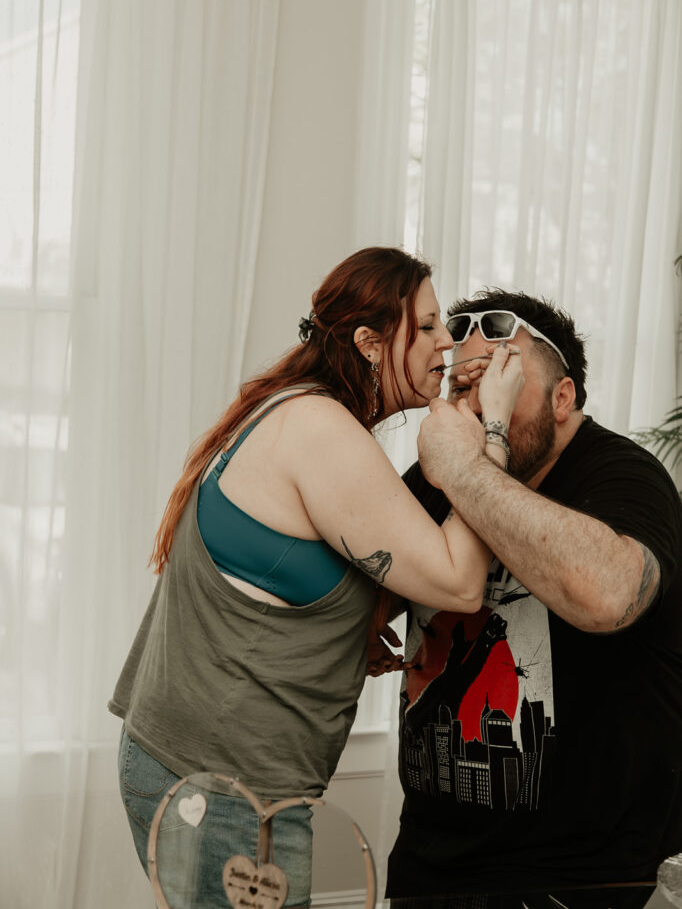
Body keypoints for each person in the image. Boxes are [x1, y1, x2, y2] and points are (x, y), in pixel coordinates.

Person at [108, 248, 523, 909]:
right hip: (222, 788)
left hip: (199, 769)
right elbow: (459, 583)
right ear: (367, 343)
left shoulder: (298, 408)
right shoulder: (319, 430)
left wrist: (343, 624)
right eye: (425, 327)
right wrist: (490, 429)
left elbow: (283, 575)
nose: (446, 343)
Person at [385, 289, 682, 903]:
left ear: (563, 398)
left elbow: (608, 594)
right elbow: (359, 589)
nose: (478, 405)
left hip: (576, 875)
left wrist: (467, 470)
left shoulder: (622, 474)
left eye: (500, 379)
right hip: (428, 863)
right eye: (466, 389)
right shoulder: (443, 469)